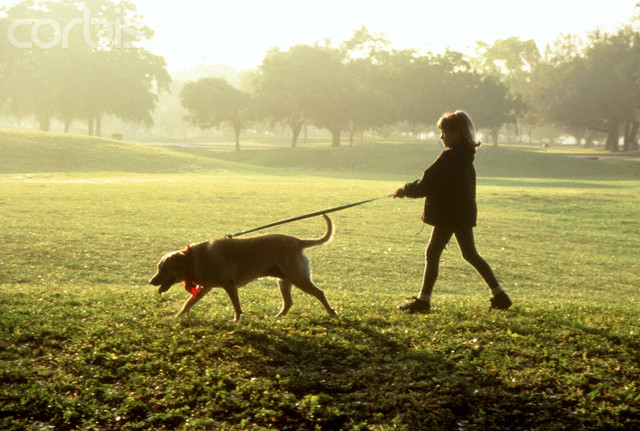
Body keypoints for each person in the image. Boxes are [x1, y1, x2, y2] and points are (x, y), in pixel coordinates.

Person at [393, 110, 512, 313]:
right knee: (470, 254)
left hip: (449, 214)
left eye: (445, 132)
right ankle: (499, 295)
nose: (442, 136)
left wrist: (405, 189)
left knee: (433, 253)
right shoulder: (465, 157)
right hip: (461, 213)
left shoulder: (450, 158)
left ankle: (423, 301)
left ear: (458, 132)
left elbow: (427, 185)